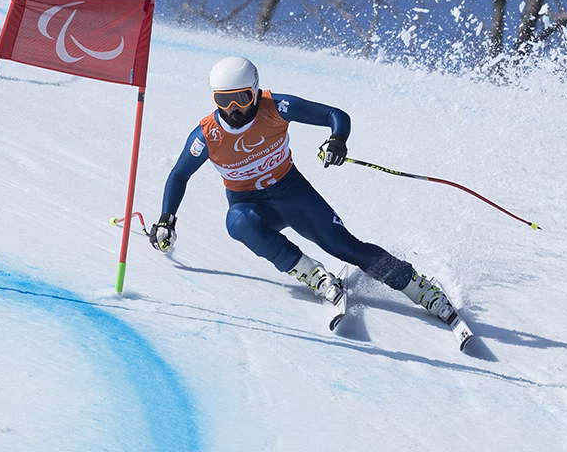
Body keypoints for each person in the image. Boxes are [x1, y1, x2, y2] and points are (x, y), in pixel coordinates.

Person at [150, 55, 457, 324]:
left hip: (292, 194)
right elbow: (178, 176)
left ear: (254, 92)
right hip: (253, 206)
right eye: (223, 100)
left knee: (346, 247)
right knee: (237, 221)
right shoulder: (206, 136)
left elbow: (335, 115)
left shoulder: (276, 106)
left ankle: (418, 287)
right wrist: (167, 220)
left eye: (241, 98)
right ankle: (312, 274)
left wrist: (337, 139)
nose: (233, 109)